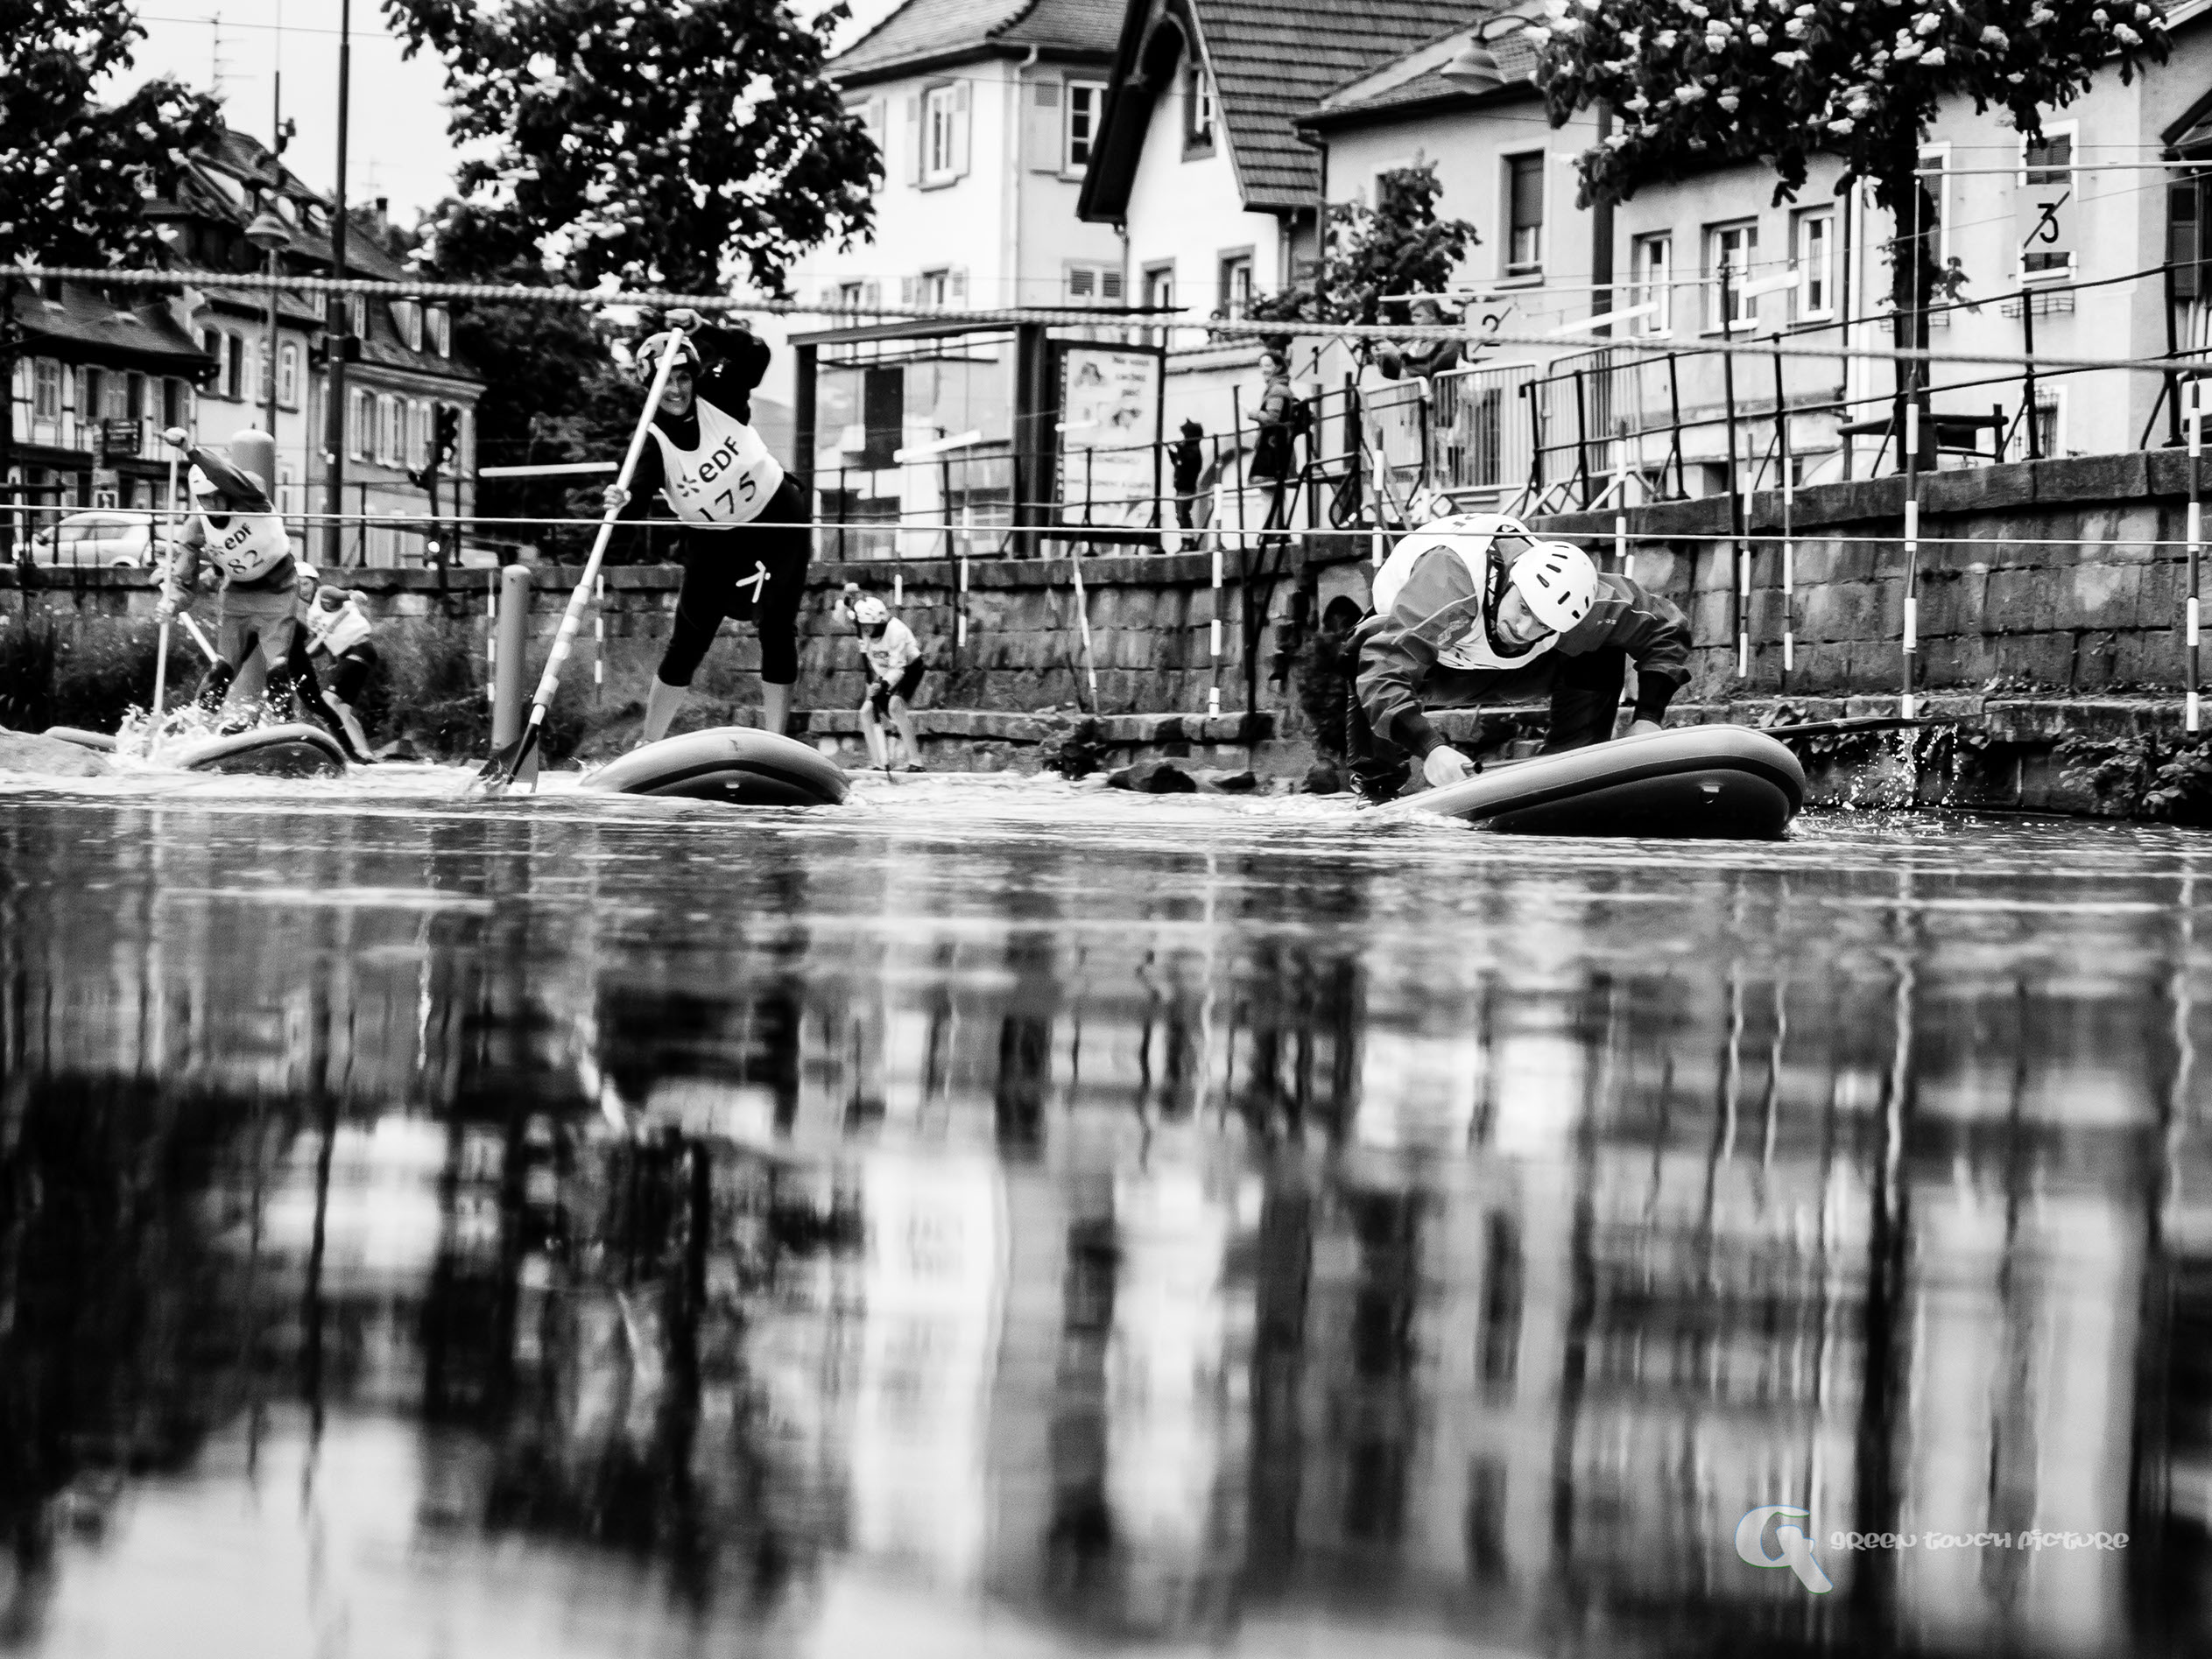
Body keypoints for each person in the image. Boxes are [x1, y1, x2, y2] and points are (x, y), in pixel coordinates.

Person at [1344, 514, 1692, 804]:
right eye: (1524, 608)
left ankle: (1570, 769)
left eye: (1543, 624)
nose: (1524, 630)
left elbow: (1665, 627)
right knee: (1368, 646)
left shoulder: (1587, 602)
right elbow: (1384, 668)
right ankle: (1378, 787)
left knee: (1601, 644)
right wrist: (1431, 747)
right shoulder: (1452, 581)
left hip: (1520, 671)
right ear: (1511, 580)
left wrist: (1649, 718)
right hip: (1434, 667)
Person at [602, 306, 808, 747]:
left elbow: (757, 354)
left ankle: (777, 742)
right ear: (649, 387)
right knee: (688, 639)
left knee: (777, 627)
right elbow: (633, 506)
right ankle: (648, 744)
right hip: (712, 543)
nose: (675, 390)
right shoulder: (649, 441)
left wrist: (706, 329)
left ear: (694, 377)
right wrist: (621, 504)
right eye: (664, 382)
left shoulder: (720, 393)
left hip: (776, 524)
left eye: (682, 378)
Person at [153, 428, 316, 727]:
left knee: (277, 668)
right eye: (204, 500)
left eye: (217, 498)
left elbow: (226, 476)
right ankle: (198, 728)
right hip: (237, 596)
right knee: (221, 670)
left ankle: (283, 726)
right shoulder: (196, 526)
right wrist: (172, 602)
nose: (212, 506)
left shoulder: (251, 498)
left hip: (278, 590)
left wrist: (191, 450)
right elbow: (183, 578)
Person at [297, 565, 379, 759]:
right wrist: (301, 656)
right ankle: (365, 755)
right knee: (343, 711)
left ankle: (344, 751)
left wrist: (354, 595)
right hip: (350, 655)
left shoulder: (324, 594)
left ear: (314, 582)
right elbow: (321, 646)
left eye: (306, 583)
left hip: (359, 650)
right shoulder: (310, 613)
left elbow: (345, 595)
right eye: (298, 585)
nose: (302, 589)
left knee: (327, 701)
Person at [844, 592, 926, 772]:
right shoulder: (861, 631)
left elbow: (898, 668)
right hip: (885, 673)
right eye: (863, 625)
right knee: (866, 712)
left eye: (869, 625)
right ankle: (879, 763)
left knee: (895, 706)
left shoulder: (897, 632)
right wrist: (847, 602)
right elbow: (846, 615)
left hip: (909, 668)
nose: (866, 629)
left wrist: (882, 685)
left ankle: (916, 762)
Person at [1169, 418, 1206, 532]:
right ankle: (1186, 538)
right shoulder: (1186, 450)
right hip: (1180, 488)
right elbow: (1178, 463)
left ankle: (1188, 539)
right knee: (1180, 515)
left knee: (1182, 514)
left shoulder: (1193, 450)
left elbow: (1188, 460)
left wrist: (1179, 448)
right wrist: (1171, 451)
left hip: (1186, 489)